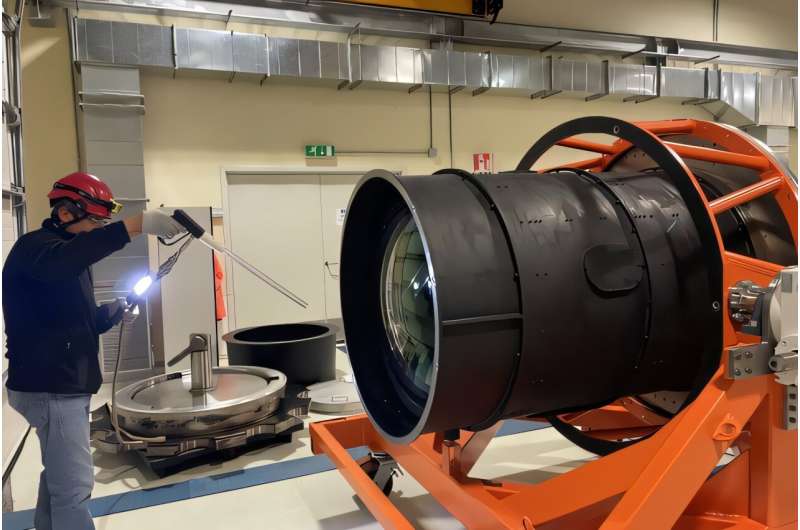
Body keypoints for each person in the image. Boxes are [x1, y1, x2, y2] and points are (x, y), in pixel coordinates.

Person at [3, 172, 186, 530]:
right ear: (67, 213)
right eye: (95, 222)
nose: (97, 230)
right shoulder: (37, 249)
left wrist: (114, 309)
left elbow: (79, 318)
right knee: (73, 486)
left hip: (63, 384)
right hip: (51, 387)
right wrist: (136, 224)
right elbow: (66, 260)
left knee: (58, 474)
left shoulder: (65, 258)